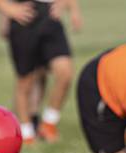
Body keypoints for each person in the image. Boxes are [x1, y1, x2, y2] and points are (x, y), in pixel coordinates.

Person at [5, 0, 82, 143]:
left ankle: (48, 123)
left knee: (65, 72)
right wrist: (7, 9)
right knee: (25, 81)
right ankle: (26, 132)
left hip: (50, 15)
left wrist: (72, 8)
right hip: (24, 15)